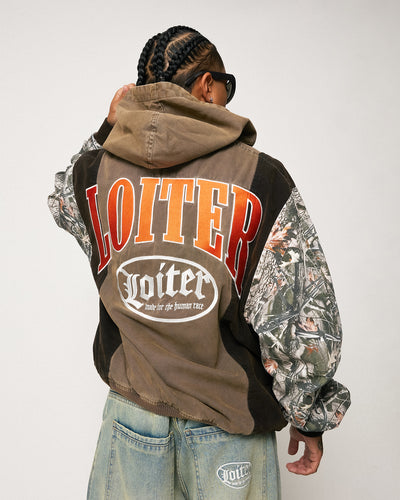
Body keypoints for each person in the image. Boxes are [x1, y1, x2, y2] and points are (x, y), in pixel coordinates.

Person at [48, 25, 350, 499]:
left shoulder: (95, 172)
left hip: (131, 417)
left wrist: (108, 131)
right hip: (228, 426)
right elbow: (301, 319)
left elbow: (63, 203)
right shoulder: (259, 178)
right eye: (226, 85)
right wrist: (308, 416)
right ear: (208, 86)